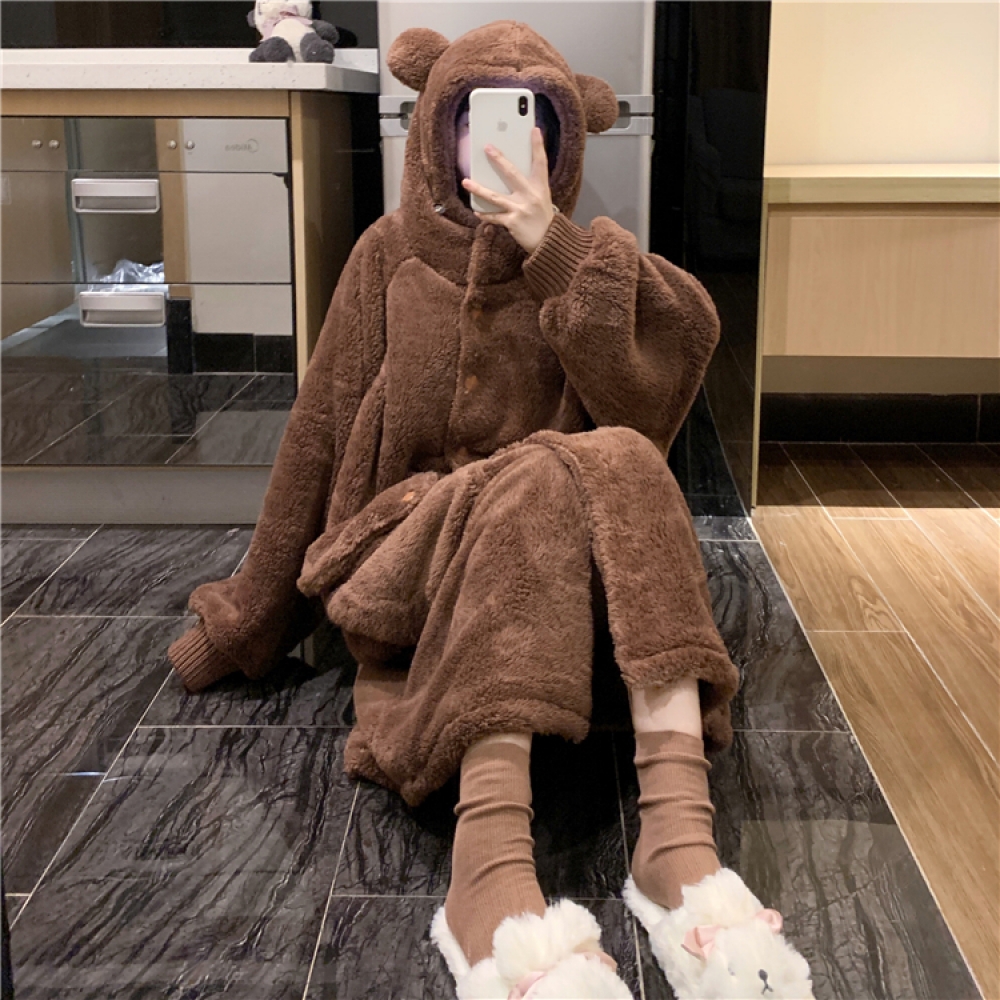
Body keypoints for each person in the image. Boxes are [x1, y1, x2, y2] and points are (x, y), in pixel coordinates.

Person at [167, 21, 814, 1000]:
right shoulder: (387, 256)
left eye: (531, 120)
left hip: (546, 585)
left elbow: (657, 396)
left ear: (563, 139)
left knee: (612, 456)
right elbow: (317, 435)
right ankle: (487, 872)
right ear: (437, 127)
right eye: (475, 116)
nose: (504, 140)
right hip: (406, 560)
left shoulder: (588, 265)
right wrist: (244, 624)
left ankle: (680, 847)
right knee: (539, 478)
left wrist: (551, 252)